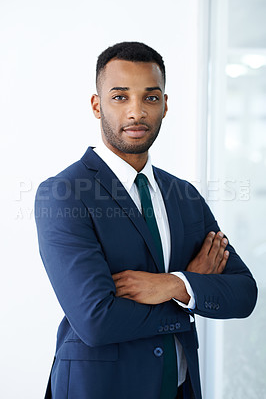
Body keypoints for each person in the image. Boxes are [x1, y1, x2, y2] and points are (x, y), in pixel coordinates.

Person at [35, 41, 257, 399]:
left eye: (150, 98)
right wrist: (191, 292)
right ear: (97, 105)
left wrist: (173, 284)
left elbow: (244, 293)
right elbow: (96, 321)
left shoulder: (183, 195)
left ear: (165, 105)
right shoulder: (64, 193)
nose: (136, 112)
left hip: (180, 388)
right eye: (120, 97)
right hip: (102, 390)